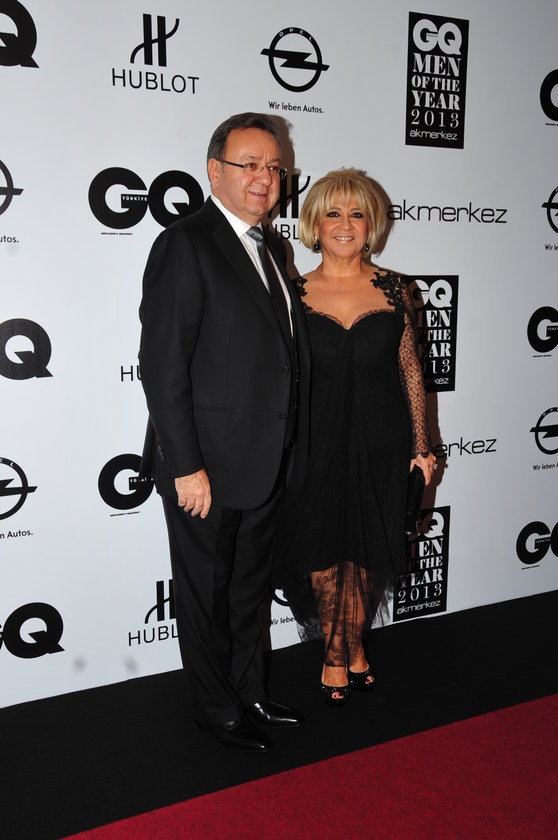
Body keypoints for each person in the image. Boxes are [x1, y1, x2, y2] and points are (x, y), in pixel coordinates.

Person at [138, 113, 311, 750]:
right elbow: (163, 365)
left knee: (247, 591)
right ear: (215, 172)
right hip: (205, 466)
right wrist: (186, 466)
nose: (265, 177)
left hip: (265, 460)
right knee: (206, 594)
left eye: (274, 167)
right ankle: (215, 708)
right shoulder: (186, 243)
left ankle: (251, 691)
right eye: (250, 164)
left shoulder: (274, 248)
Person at [274, 168, 436, 706]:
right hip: (313, 439)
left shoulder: (396, 289)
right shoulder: (292, 292)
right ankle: (336, 652)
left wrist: (421, 447)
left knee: (368, 546)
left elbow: (410, 369)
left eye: (357, 213)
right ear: (314, 224)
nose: (345, 224)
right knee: (321, 545)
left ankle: (349, 644)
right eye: (333, 213)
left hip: (382, 436)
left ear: (372, 225)